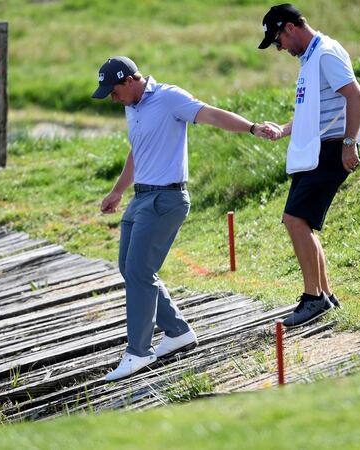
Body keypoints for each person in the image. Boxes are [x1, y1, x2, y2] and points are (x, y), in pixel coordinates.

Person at [92, 56, 280, 381]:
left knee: (139, 270)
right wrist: (117, 191)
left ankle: (138, 352)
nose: (112, 98)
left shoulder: (169, 98)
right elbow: (138, 152)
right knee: (129, 268)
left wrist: (251, 127)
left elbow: (211, 115)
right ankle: (177, 331)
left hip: (166, 198)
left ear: (129, 81)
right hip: (141, 198)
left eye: (113, 91)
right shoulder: (132, 107)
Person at [257, 4, 360, 328]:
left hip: (332, 149)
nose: (279, 48)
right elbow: (311, 111)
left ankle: (314, 299)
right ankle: (325, 296)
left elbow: (356, 96)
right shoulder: (310, 58)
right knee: (300, 222)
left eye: (277, 40)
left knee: (294, 220)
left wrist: (349, 143)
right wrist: (284, 128)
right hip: (315, 151)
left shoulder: (326, 54)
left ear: (290, 28)